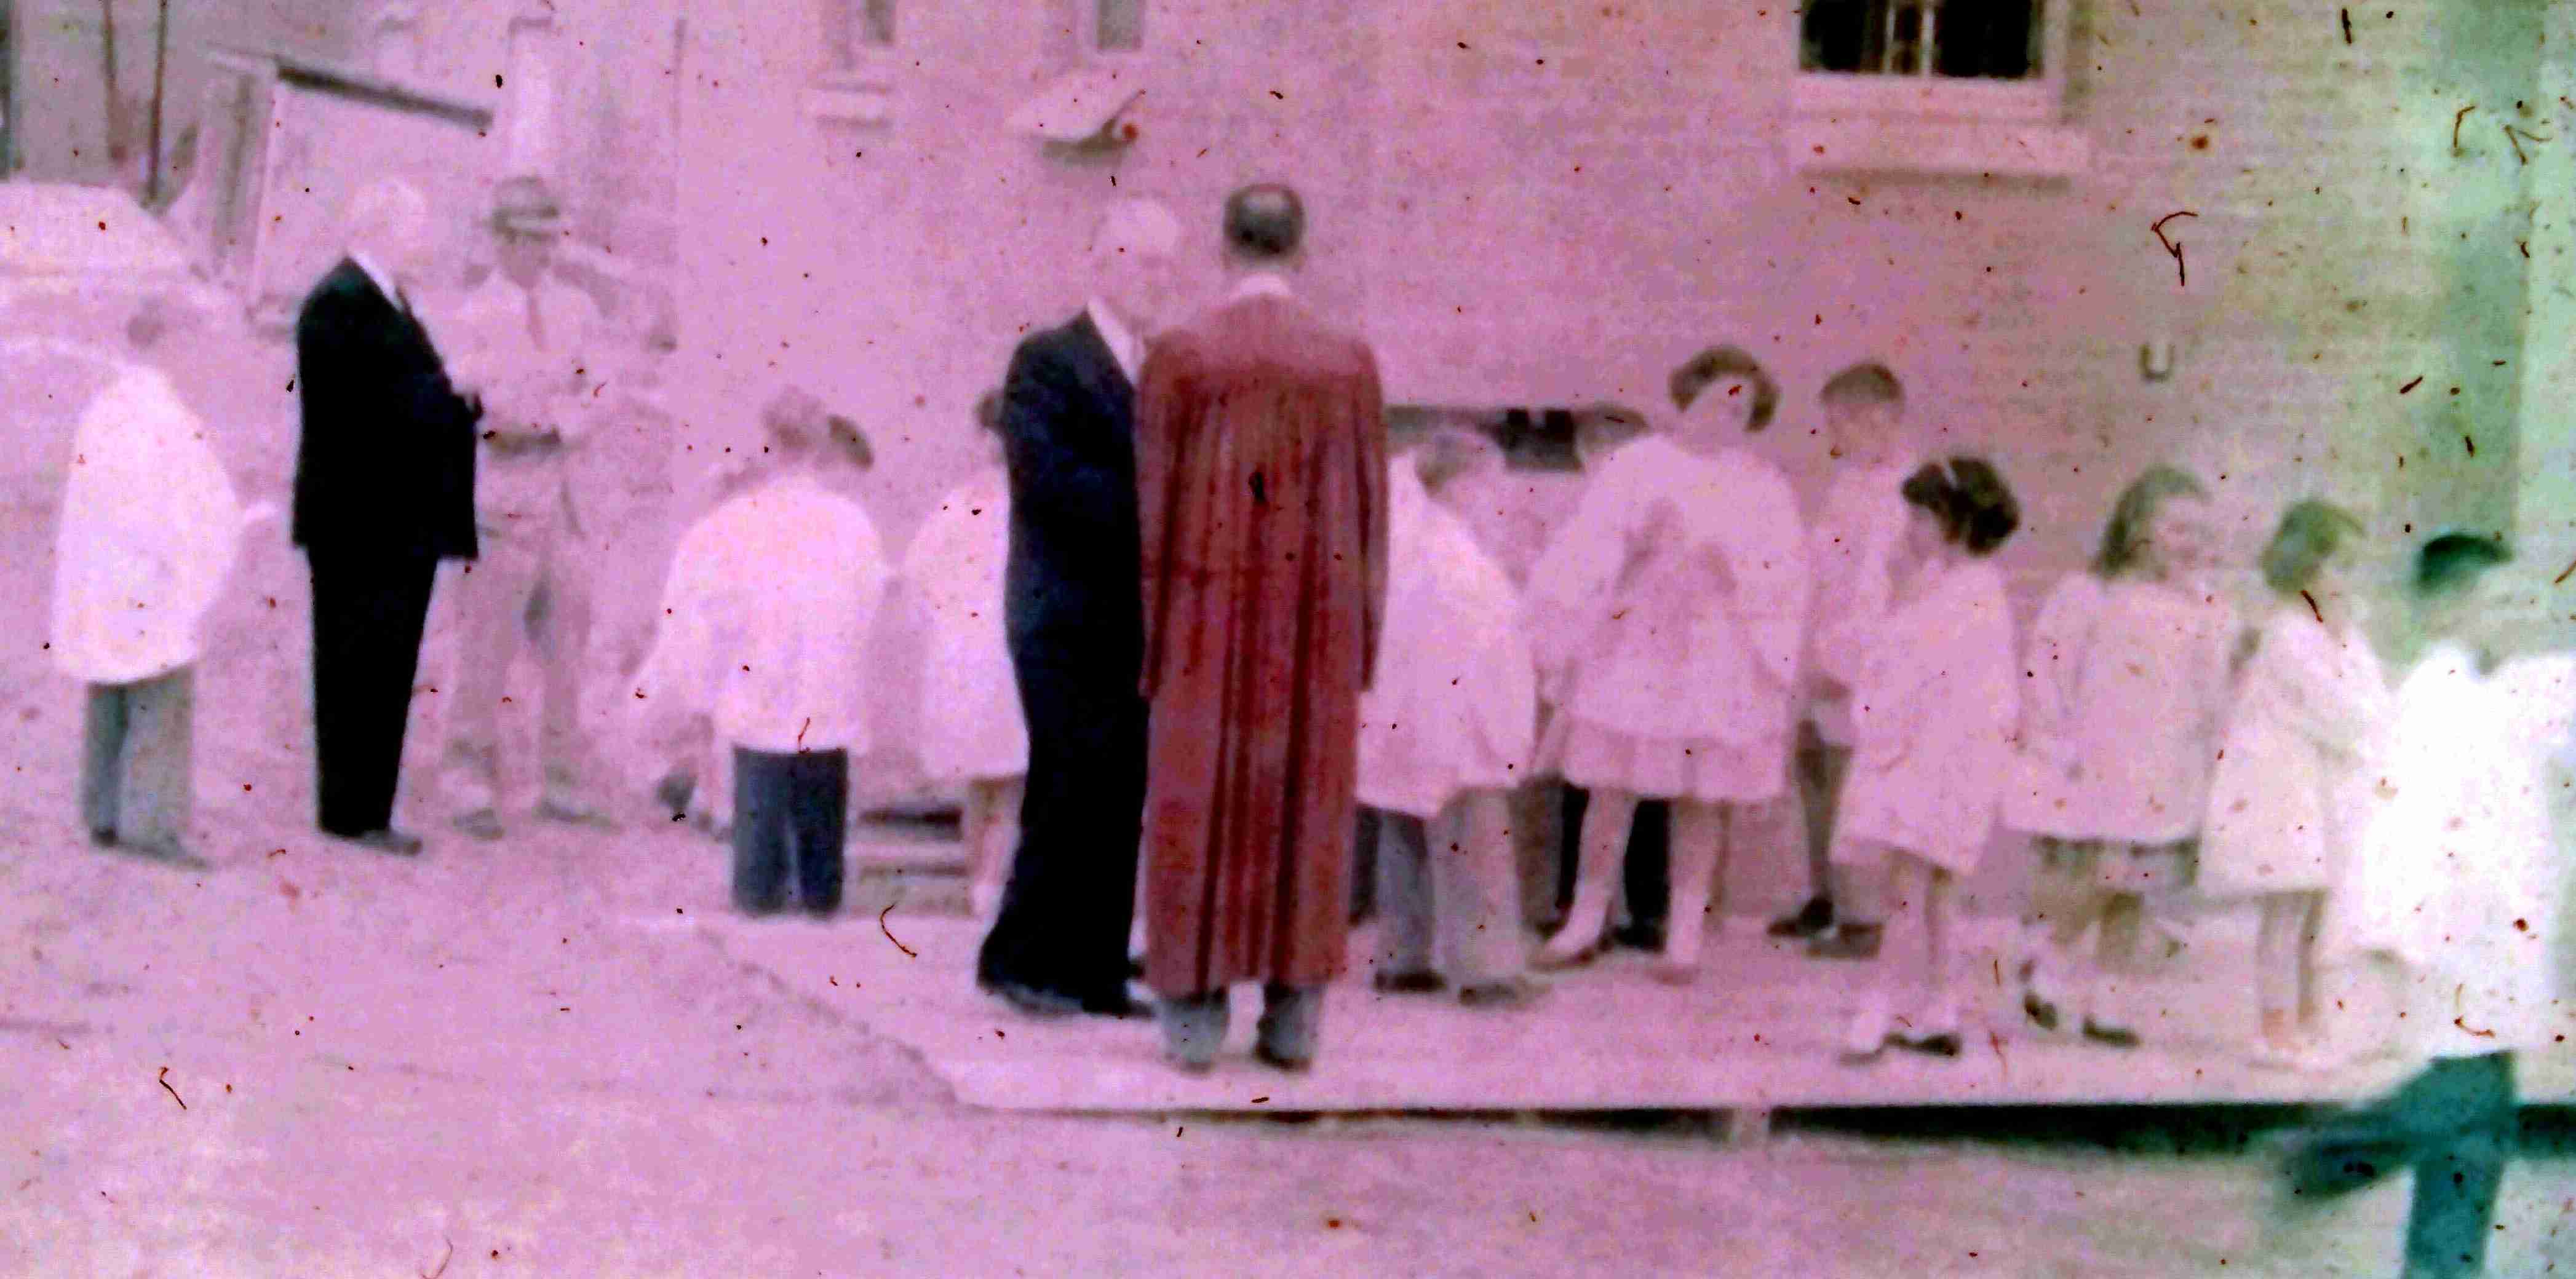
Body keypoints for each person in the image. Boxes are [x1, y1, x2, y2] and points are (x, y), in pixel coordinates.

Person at [1137, 183, 1389, 1072]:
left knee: (1197, 802)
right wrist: (1361, 642)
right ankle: (1294, 1025)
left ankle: (1195, 1028)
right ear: (1302, 249)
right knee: (1304, 810)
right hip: (1313, 631)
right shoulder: (1345, 361)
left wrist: (1154, 640)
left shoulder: (1183, 354)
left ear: (1223, 247)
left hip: (1205, 622)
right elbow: (1369, 511)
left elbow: (1153, 508)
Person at [2273, 532, 2573, 1279]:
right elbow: (2400, 821)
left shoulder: (2494, 687)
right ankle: (2327, 1155)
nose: (2515, 614)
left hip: (2495, 933)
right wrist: (2393, 925)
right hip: (2455, 930)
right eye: (2498, 600)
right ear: (2447, 603)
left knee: (2483, 1106)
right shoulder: (2434, 698)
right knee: (2467, 1093)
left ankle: (2440, 1263)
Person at [1526, 345, 1810, 983]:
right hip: (1637, 644)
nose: (1725, 413)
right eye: (1717, 397)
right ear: (1692, 396)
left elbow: (1785, 574)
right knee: (1611, 785)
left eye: (1741, 406)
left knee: (1702, 794)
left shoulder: (1763, 485)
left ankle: (1684, 932)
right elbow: (1585, 551)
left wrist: (1733, 571)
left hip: (1714, 654)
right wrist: (1636, 547)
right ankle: (1586, 917)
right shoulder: (1635, 465)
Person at [976, 198, 1181, 1021]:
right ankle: (1030, 962)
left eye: (1167, 266)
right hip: (1061, 612)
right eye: (1139, 261)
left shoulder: (1163, 363)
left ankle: (1086, 965)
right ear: (1103, 264)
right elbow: (1050, 480)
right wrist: (1166, 512)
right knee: (1071, 779)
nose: (1154, 280)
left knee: (1118, 786)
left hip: (1130, 616)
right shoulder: (1049, 358)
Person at [2008, 464, 2235, 1047]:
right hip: (2102, 760)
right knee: (2104, 874)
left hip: (2168, 764)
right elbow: (2049, 672)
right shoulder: (2091, 594)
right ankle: (2051, 959)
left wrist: (2212, 616)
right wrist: (2053, 744)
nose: (2191, 544)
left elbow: (2214, 691)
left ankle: (2108, 1001)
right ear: (2138, 526)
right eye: (2178, 528)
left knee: (2136, 884)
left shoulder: (2202, 609)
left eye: (2201, 533)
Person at [291, 176, 483, 857]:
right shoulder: (339, 303)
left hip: (394, 523)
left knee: (386, 665)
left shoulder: (386, 301)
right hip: (361, 524)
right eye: (417, 228)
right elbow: (363, 415)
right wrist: (450, 389)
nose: (425, 242)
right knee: (356, 665)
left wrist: (451, 393)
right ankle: (351, 811)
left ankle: (367, 806)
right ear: (382, 229)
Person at [644, 386, 888, 916]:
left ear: (768, 443)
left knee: (759, 824)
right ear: (820, 447)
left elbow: (697, 608)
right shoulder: (851, 524)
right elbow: (870, 602)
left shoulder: (731, 525)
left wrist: (703, 689)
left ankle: (761, 894)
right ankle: (820, 900)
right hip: (827, 692)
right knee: (823, 817)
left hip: (758, 687)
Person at [433, 175, 614, 841]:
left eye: (551, 238)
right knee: (485, 649)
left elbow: (603, 391)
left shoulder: (578, 310)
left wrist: (554, 426)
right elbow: (460, 401)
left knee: (568, 650)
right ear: (501, 240)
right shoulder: (472, 315)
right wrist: (502, 422)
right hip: (498, 504)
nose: (545, 252)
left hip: (565, 503)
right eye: (531, 239)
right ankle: (467, 779)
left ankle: (560, 780)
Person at [49, 296, 255, 868]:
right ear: (167, 341)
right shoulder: (165, 417)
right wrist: (196, 558)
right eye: (192, 341)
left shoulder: (106, 407)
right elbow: (177, 509)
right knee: (160, 701)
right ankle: (152, 822)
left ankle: (105, 811)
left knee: (110, 694)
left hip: (106, 578)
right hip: (152, 576)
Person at [1834, 458, 2022, 1061]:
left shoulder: (1963, 591)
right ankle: (1939, 1005)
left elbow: (1908, 669)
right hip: (1948, 757)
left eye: (1920, 515)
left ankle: (1880, 1004)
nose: (1909, 527)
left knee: (1909, 888)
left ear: (1955, 520)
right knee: (1934, 888)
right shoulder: (1965, 586)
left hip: (1938, 760)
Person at [2199, 501, 2391, 1068]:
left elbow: (2373, 703)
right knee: (2286, 915)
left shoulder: (2343, 635)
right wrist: (2365, 719)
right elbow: (2338, 712)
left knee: (2316, 916)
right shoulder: (2288, 633)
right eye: (2340, 566)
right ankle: (2275, 1028)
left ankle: (2313, 1021)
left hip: (2322, 790)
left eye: (2357, 567)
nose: (2349, 581)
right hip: (2284, 793)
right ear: (2304, 566)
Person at [1361, 429, 1548, 1010]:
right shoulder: (1457, 557)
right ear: (1462, 485)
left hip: (1400, 721)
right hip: (1459, 724)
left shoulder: (1404, 541)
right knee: (1476, 841)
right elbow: (1493, 644)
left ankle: (1402, 958)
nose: (1501, 496)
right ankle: (1487, 971)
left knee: (1405, 833)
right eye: (1492, 483)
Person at [1769, 361, 1923, 960]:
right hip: (1824, 648)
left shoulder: (1906, 493)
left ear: (1879, 419)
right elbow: (1820, 568)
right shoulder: (1851, 483)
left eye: (1841, 424)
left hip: (1868, 663)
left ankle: (1865, 914)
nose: (1833, 437)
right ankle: (1828, 895)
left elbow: (1875, 592)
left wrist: (1840, 662)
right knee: (1816, 779)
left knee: (1850, 784)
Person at [904, 390, 1028, 920]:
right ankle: (991, 886)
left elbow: (919, 577)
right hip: (1012, 648)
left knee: (982, 779)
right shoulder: (1038, 505)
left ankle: (983, 885)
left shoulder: (958, 505)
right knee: (1010, 780)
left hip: (965, 649)